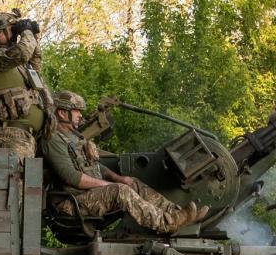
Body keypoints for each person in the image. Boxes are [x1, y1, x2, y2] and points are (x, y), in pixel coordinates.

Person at [40, 90, 208, 234]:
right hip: (70, 204)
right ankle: (168, 223)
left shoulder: (73, 137)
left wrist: (118, 178)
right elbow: (71, 177)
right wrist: (106, 185)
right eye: (76, 111)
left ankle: (179, 214)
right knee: (121, 191)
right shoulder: (52, 139)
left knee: (131, 182)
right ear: (62, 113)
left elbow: (94, 166)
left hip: (86, 196)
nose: (80, 115)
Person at [0, 10, 52, 159]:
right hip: (9, 137)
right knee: (14, 181)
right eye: (12, 30)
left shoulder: (13, 64)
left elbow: (35, 63)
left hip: (23, 137)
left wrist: (32, 35)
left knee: (25, 182)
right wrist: (26, 31)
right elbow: (23, 52)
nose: (15, 34)